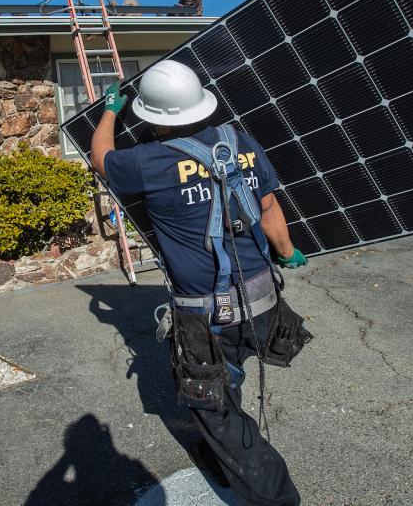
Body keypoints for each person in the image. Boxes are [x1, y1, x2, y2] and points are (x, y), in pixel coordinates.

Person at [91, 59, 308, 506]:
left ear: (152, 118)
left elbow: (101, 159)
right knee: (228, 379)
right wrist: (288, 251)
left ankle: (275, 497)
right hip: (266, 303)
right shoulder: (241, 142)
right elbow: (268, 208)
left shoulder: (149, 161)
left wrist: (111, 111)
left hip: (209, 319)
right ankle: (217, 462)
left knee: (214, 408)